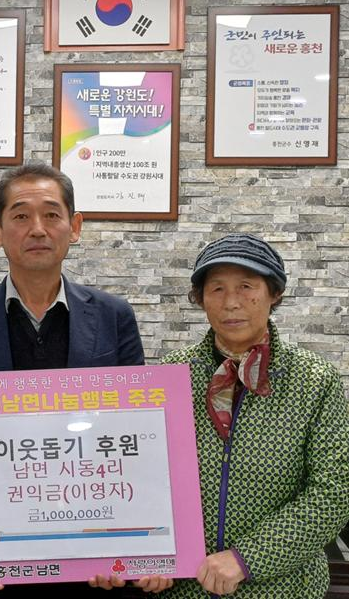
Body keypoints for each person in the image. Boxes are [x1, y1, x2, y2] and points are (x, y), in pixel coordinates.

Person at [0, 161, 144, 597]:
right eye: (21, 216)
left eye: (52, 214)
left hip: (92, 556)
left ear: (74, 227)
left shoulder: (114, 317)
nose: (38, 229)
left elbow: (136, 435)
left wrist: (131, 550)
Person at [93, 232, 349, 598]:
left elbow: (334, 492)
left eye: (246, 286)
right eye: (216, 289)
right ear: (200, 299)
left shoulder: (314, 381)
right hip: (185, 589)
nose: (231, 303)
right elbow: (138, 477)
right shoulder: (169, 377)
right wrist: (143, 557)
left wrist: (248, 558)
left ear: (274, 293)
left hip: (282, 587)